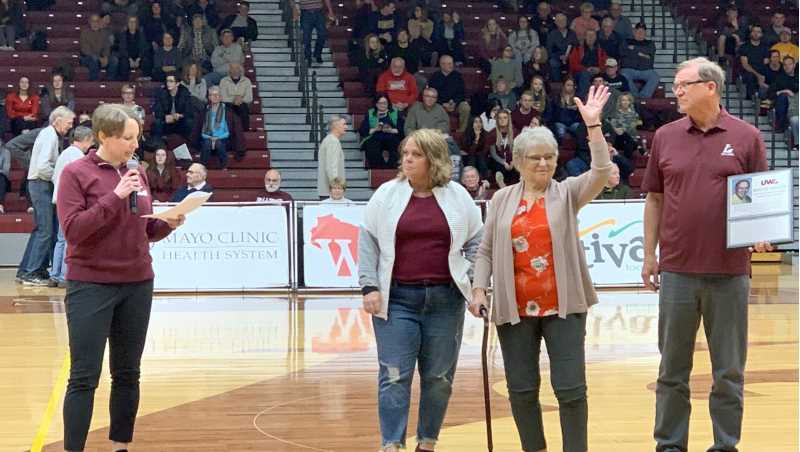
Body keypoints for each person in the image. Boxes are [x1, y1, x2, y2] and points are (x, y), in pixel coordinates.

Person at [470, 85, 612, 452]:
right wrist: (478, 289)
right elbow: (484, 251)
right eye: (535, 158)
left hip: (563, 306)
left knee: (570, 389)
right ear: (518, 161)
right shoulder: (501, 199)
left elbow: (600, 170)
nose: (544, 164)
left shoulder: (566, 193)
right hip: (513, 308)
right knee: (521, 390)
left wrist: (593, 127)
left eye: (549, 157)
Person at [641, 57, 770, 452]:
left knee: (729, 372)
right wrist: (650, 255)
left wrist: (762, 231)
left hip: (730, 271)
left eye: (684, 84)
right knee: (672, 371)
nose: (676, 91)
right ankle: (669, 445)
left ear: (709, 87)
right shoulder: (664, 136)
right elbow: (655, 198)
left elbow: (761, 198)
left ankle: (725, 445)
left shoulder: (747, 136)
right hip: (678, 270)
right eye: (676, 85)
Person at [57, 104, 184, 452]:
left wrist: (167, 225)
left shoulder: (138, 173)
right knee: (84, 376)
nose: (134, 143)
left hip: (137, 282)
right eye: (127, 137)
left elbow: (143, 227)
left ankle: (120, 446)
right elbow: (74, 231)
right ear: (103, 136)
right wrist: (115, 197)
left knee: (128, 373)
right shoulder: (75, 174)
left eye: (137, 136)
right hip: (91, 285)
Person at [358, 128, 483, 452]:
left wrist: (470, 278)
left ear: (434, 159)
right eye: (405, 154)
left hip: (445, 300)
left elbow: (477, 241)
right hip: (397, 299)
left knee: (439, 379)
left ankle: (427, 442)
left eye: (415, 154)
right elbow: (368, 240)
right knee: (395, 375)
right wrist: (369, 286)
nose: (407, 159)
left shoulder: (457, 195)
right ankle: (392, 445)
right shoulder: (387, 194)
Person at [16, 106, 75, 286]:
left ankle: (26, 270)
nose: (70, 127)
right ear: (57, 120)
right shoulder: (49, 135)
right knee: (46, 231)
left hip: (37, 184)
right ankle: (31, 272)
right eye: (68, 122)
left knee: (41, 229)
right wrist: (58, 176)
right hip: (41, 184)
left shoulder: (49, 134)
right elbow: (43, 167)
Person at [50, 126, 94, 288]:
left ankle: (55, 275)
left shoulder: (65, 153)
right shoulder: (77, 155)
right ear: (87, 139)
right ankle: (63, 277)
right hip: (70, 202)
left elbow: (55, 177)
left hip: (59, 199)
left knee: (61, 240)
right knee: (70, 239)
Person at [190, 85, 246, 169]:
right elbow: (200, 131)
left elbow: (229, 132)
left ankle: (224, 166)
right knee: (207, 143)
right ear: (209, 97)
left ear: (221, 97)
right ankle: (202, 167)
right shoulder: (204, 112)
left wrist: (217, 138)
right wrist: (210, 138)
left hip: (224, 139)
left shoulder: (228, 111)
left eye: (218, 95)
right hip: (207, 139)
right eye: (213, 95)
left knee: (219, 143)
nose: (215, 97)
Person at [426, 55, 471, 133]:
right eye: (449, 64)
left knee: (465, 107)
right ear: (442, 65)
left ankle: (461, 132)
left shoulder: (457, 76)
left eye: (451, 63)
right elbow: (431, 95)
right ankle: (438, 131)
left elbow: (462, 93)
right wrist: (443, 104)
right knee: (432, 107)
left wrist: (454, 102)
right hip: (440, 103)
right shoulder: (435, 77)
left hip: (455, 103)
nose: (451, 65)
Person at [360, 93, 404, 168]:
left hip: (391, 136)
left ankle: (391, 168)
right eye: (380, 103)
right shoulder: (370, 113)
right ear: (376, 104)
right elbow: (363, 130)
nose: (382, 105)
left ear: (388, 103)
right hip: (375, 137)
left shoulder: (395, 112)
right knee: (371, 146)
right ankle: (379, 168)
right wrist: (376, 129)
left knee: (397, 146)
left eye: (384, 103)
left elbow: (401, 130)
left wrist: (390, 130)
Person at [620, 23, 659, 99]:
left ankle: (644, 97)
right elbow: (622, 53)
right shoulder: (626, 41)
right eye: (638, 32)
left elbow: (649, 57)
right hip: (629, 70)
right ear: (634, 32)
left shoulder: (650, 43)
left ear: (645, 33)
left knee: (655, 76)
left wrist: (634, 49)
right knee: (624, 74)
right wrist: (643, 54)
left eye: (643, 32)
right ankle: (634, 96)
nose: (640, 34)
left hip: (646, 70)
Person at [293, 0, 335, 65]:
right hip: (305, 13)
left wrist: (330, 11)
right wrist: (295, 9)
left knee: (322, 34)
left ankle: (317, 54)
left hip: (319, 11)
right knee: (306, 37)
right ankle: (308, 57)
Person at [152, 73, 193, 139]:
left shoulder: (184, 93)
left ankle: (186, 143)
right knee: (157, 122)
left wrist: (179, 115)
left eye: (171, 81)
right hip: (167, 121)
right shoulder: (162, 92)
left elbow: (189, 111)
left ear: (177, 83)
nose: (168, 83)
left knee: (189, 121)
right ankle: (158, 144)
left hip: (180, 122)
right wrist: (165, 117)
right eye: (167, 81)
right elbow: (157, 110)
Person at [80, 14, 119, 81]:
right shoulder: (84, 33)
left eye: (97, 21)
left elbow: (107, 47)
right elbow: (86, 50)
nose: (95, 23)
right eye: (93, 21)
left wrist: (106, 57)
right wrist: (99, 58)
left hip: (101, 57)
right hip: (87, 58)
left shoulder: (104, 33)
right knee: (94, 59)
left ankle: (109, 81)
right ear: (90, 22)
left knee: (114, 60)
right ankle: (94, 82)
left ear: (99, 22)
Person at [569, 29, 608, 96]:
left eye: (592, 36)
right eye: (588, 35)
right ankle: (583, 97)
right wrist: (585, 69)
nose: (590, 37)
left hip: (597, 72)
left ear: (596, 37)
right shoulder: (577, 48)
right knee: (585, 75)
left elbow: (606, 63)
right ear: (585, 37)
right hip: (581, 73)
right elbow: (573, 64)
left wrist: (599, 69)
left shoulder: (601, 49)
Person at [318, 115, 348, 199]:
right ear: (335, 125)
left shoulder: (330, 140)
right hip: (331, 193)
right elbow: (331, 167)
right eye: (344, 124)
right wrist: (336, 188)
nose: (346, 127)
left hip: (330, 191)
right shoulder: (333, 141)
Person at [738, 25, 771, 101]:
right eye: (754, 31)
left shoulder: (765, 47)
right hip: (748, 71)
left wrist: (761, 75)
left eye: (758, 32)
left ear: (762, 34)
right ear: (750, 33)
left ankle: (765, 102)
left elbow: (765, 64)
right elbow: (745, 65)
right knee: (750, 76)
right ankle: (751, 100)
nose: (756, 34)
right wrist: (758, 75)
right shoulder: (744, 47)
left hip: (761, 71)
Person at [219, 62, 253, 131]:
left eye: (237, 68)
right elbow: (222, 97)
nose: (234, 70)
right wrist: (235, 99)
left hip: (242, 105)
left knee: (242, 107)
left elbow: (249, 98)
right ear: (229, 70)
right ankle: (228, 131)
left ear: (240, 70)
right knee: (228, 107)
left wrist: (240, 99)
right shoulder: (223, 81)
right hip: (228, 105)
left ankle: (244, 131)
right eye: (232, 68)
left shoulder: (247, 81)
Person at [488, 109, 517, 188]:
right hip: (499, 161)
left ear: (508, 119)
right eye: (500, 118)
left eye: (505, 118)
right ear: (497, 120)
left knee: (516, 168)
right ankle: (501, 184)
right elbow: (493, 153)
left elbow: (517, 151)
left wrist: (513, 162)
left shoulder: (515, 132)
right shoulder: (492, 133)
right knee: (498, 167)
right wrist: (503, 163)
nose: (502, 120)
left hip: (512, 160)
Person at [117, 15, 151, 80]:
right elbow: (122, 49)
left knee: (146, 61)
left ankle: (144, 81)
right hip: (127, 57)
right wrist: (130, 60)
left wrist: (139, 58)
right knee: (123, 62)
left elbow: (144, 48)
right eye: (130, 22)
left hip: (139, 57)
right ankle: (124, 81)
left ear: (136, 24)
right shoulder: (123, 34)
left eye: (134, 22)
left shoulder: (141, 34)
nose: (132, 24)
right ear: (127, 23)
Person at [546, 13, 578, 81]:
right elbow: (549, 50)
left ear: (566, 21)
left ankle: (573, 82)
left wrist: (569, 56)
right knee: (553, 62)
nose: (562, 22)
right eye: (559, 21)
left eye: (563, 20)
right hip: (557, 58)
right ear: (556, 22)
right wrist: (559, 56)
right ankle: (557, 83)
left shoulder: (572, 33)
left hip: (571, 57)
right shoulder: (552, 34)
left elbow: (576, 47)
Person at [0, 146, 9, 214]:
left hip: (2, 175)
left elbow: (6, 170)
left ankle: (0, 205)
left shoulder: (6, 152)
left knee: (1, 178)